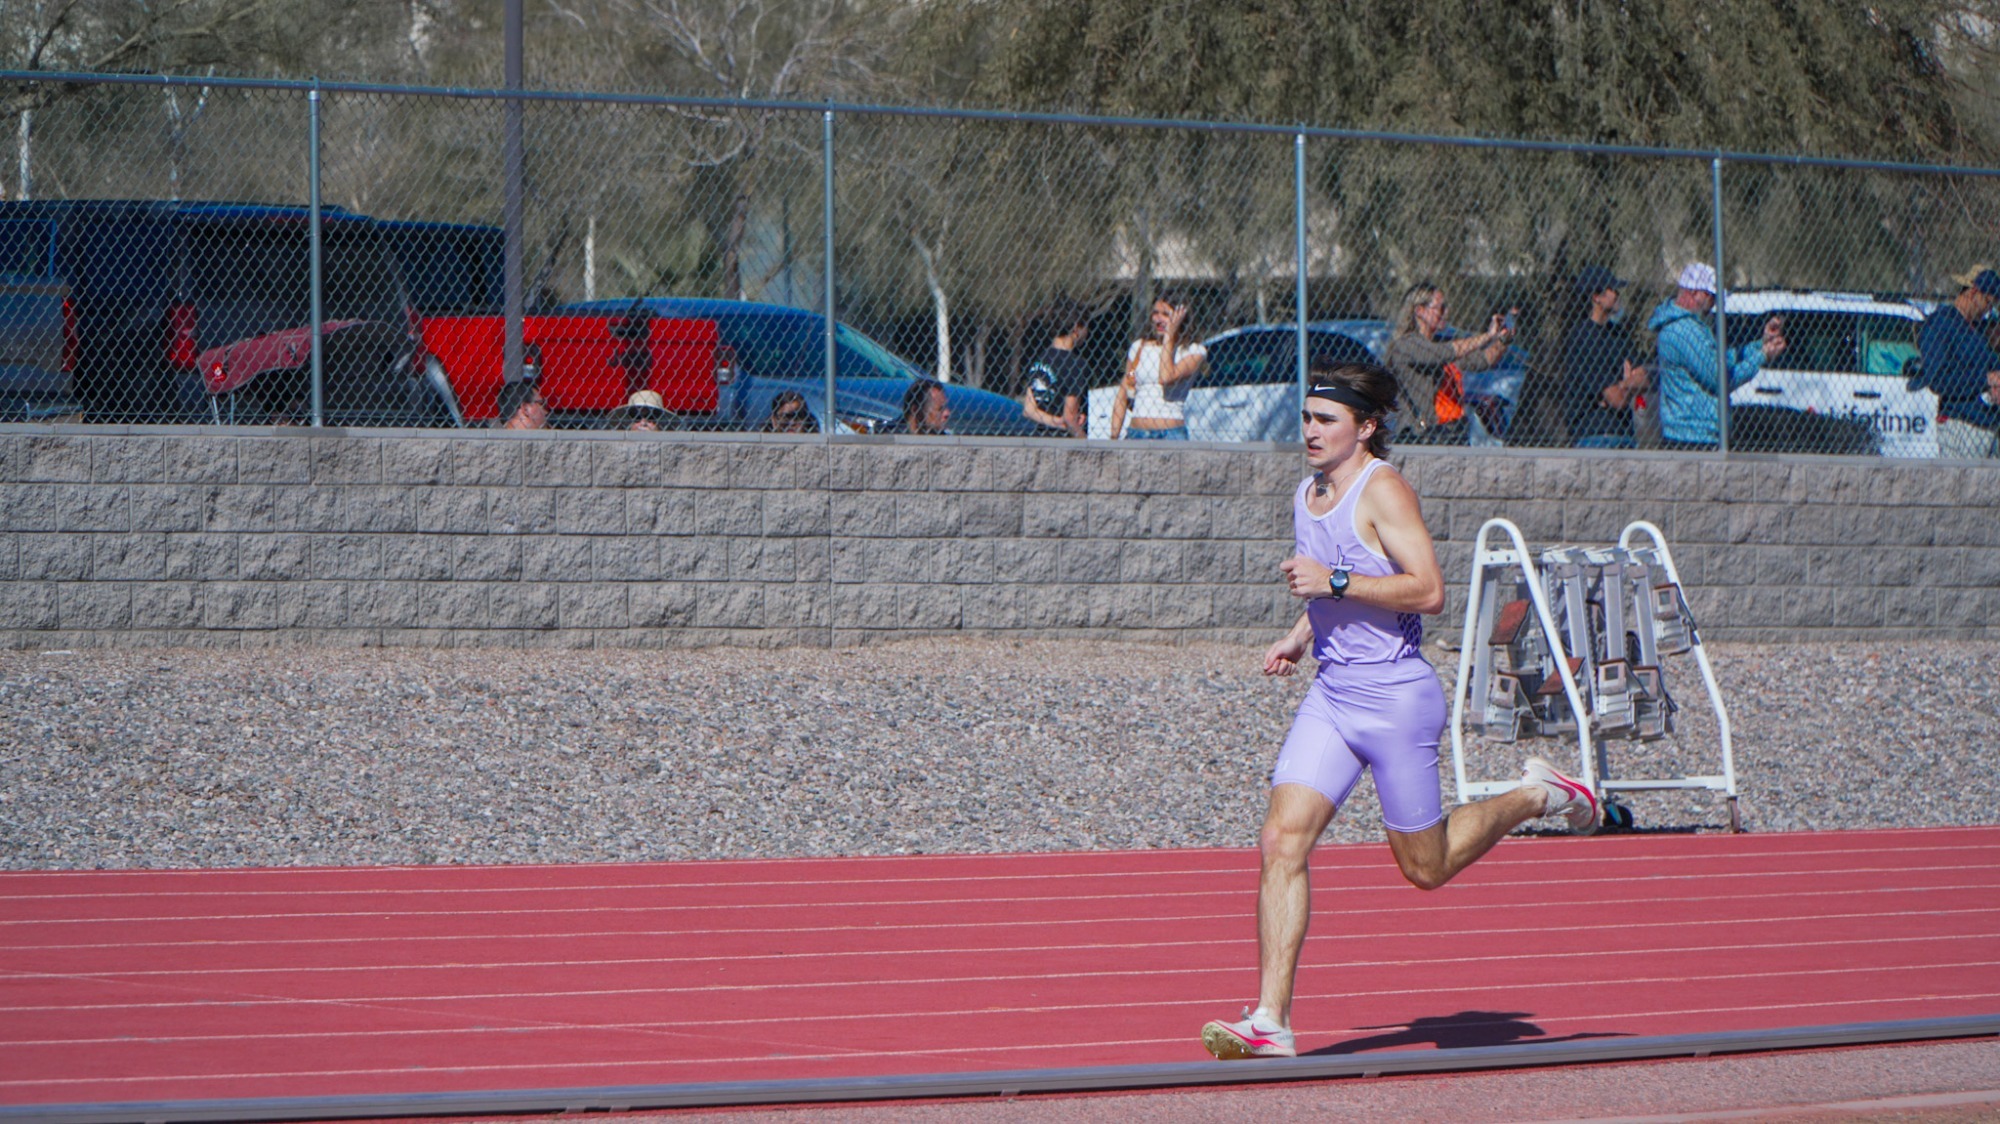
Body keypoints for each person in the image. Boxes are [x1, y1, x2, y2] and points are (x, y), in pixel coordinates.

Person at [1198, 360, 1601, 1062]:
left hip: (1396, 699)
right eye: (1307, 417)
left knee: (1426, 867)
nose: (1311, 431)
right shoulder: (1307, 492)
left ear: (1367, 426)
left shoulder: (1384, 491)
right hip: (1332, 694)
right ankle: (1271, 1020)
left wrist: (1336, 580)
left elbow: (1428, 591)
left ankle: (1538, 794)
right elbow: (1324, 586)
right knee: (1280, 841)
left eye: (1327, 419)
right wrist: (1300, 634)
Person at [1645, 262, 1786, 448]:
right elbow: (1720, 380)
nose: (1713, 303)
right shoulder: (1684, 331)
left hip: (1700, 436)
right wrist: (1762, 356)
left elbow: (1722, 360)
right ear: (1694, 293)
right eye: (1711, 296)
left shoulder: (1693, 327)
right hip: (1692, 437)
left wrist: (1762, 343)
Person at [1381, 283, 1513, 444]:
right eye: (1440, 308)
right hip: (1421, 434)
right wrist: (1488, 335)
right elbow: (1444, 353)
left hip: (1453, 431)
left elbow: (1484, 360)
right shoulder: (1406, 345)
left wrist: (1503, 339)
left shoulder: (1441, 342)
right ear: (1420, 311)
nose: (1446, 313)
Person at [1915, 265, 2000, 459]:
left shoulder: (1978, 330)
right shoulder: (1942, 324)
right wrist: (1985, 380)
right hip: (1961, 425)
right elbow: (1938, 379)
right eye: (1989, 302)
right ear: (1974, 293)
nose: (1989, 310)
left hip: (1988, 424)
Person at [1561, 266, 1649, 448]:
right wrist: (1626, 385)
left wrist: (1624, 385)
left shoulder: (1618, 334)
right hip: (1595, 435)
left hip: (1625, 433)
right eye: (1612, 290)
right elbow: (1617, 399)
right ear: (1597, 297)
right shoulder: (1583, 338)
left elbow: (1645, 379)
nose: (1617, 295)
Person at [1110, 290, 1205, 440]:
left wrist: (1169, 337)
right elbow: (1126, 384)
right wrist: (1114, 435)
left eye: (1166, 314)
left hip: (1171, 434)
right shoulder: (1139, 347)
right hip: (1137, 433)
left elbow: (1166, 377)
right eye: (1155, 313)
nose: (1158, 319)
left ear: (1180, 317)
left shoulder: (1193, 351)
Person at [1022, 300, 1091, 438]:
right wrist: (1085, 441)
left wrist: (1055, 421)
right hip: (1063, 441)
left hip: (1040, 437)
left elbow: (1029, 409)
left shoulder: (1040, 358)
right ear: (1076, 328)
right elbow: (1069, 417)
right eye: (1086, 327)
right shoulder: (1076, 365)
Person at [881, 378, 950, 435]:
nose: (947, 413)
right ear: (916, 410)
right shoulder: (894, 437)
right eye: (939, 409)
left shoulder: (942, 437)